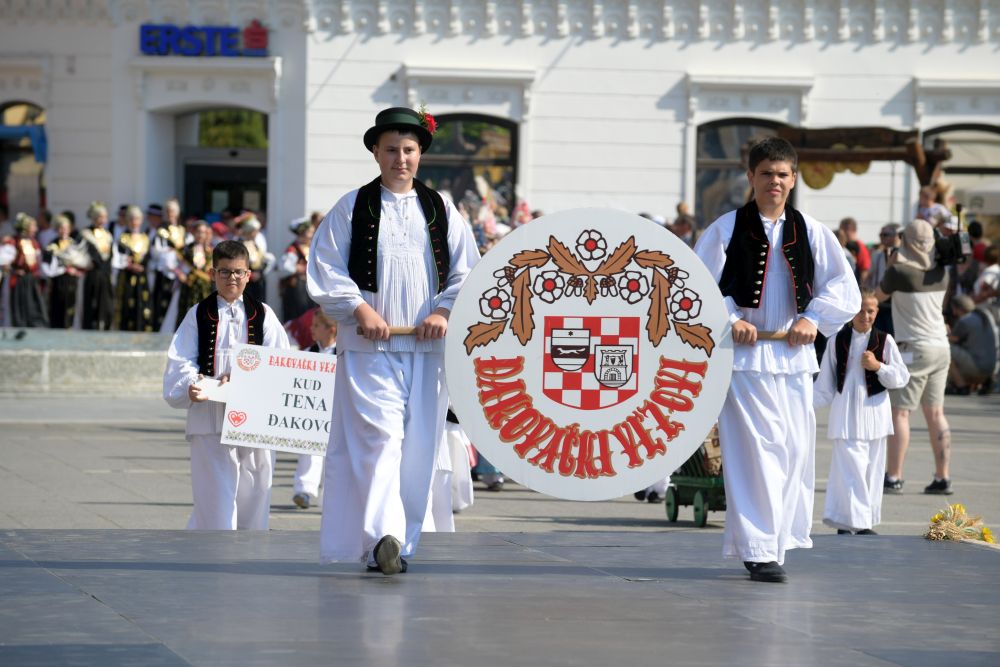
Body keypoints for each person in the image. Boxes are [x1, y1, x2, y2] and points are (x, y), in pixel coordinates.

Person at [307, 106, 479, 575]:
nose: (400, 159)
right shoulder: (352, 207)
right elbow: (326, 267)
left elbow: (467, 270)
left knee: (419, 447)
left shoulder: (441, 209)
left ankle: (399, 543)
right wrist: (359, 309)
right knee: (379, 439)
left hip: (426, 348)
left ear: (420, 153)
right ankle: (382, 535)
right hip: (370, 348)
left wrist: (444, 311)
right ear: (375, 153)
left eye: (408, 150)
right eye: (391, 150)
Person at [694, 136, 860, 583]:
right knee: (758, 451)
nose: (775, 181)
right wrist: (731, 319)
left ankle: (777, 540)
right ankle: (759, 549)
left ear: (794, 179)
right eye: (766, 173)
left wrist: (813, 319)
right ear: (750, 177)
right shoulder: (725, 229)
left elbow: (843, 288)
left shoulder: (812, 231)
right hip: (745, 360)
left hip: (793, 358)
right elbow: (695, 286)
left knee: (793, 451)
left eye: (782, 174)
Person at [163, 240, 290, 530]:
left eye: (238, 272)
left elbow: (280, 360)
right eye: (225, 272)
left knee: (256, 491)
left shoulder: (264, 314)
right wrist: (191, 384)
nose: (232, 278)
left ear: (248, 275)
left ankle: (250, 550)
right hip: (209, 416)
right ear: (212, 274)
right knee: (215, 497)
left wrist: (245, 379)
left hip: (255, 419)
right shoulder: (198, 314)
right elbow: (180, 359)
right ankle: (215, 549)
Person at [814, 290, 910, 536]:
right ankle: (856, 523)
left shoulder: (885, 341)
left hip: (875, 417)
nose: (865, 316)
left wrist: (878, 367)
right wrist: (802, 407)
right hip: (845, 417)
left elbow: (901, 378)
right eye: (860, 310)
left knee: (872, 473)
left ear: (876, 313)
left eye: (870, 311)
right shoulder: (837, 341)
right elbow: (824, 386)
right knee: (851, 470)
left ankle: (854, 522)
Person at [874, 218, 953, 495]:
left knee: (901, 412)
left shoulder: (899, 272)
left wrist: (892, 263)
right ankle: (943, 477)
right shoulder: (941, 272)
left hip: (914, 349)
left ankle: (894, 476)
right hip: (941, 347)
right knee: (936, 413)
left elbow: (877, 296)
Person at [292, 308, 336, 510]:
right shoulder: (309, 353)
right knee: (309, 449)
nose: (312, 329)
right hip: (312, 410)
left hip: (335, 410)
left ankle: (331, 498)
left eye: (317, 326)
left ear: (331, 329)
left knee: (334, 455)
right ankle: (304, 490)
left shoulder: (343, 352)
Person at [2, 213, 49, 327]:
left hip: (31, 280)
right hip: (19, 281)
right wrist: (13, 270)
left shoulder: (34, 243)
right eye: (33, 226)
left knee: (33, 306)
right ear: (25, 228)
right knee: (19, 307)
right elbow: (3, 260)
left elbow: (38, 262)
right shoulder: (14, 242)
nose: (35, 229)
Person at [41, 214, 88, 328]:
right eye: (61, 228)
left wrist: (76, 269)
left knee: (71, 306)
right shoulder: (52, 245)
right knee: (57, 306)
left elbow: (83, 261)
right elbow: (47, 266)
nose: (63, 231)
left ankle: (70, 327)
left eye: (66, 228)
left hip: (72, 281)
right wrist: (65, 268)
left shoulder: (74, 244)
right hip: (58, 281)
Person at [113, 205, 153, 331]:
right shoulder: (123, 238)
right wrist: (130, 265)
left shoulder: (145, 238)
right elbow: (119, 256)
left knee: (141, 303)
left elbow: (148, 257)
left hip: (141, 277)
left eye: (137, 219)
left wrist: (142, 266)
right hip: (127, 276)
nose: (134, 222)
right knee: (126, 302)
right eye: (131, 219)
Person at [947, 294, 997, 395]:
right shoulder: (986, 315)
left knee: (945, 348)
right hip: (993, 366)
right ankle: (986, 381)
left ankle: (961, 386)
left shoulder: (965, 320)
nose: (954, 313)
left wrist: (945, 331)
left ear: (957, 308)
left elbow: (952, 339)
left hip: (978, 366)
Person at [150, 199, 187, 332]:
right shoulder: (161, 230)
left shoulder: (182, 230)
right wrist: (170, 254)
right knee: (161, 302)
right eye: (167, 211)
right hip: (165, 272)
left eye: (172, 211)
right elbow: (156, 251)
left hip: (180, 272)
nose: (170, 214)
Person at [79, 202, 115, 330]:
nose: (104, 220)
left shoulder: (107, 235)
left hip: (105, 274)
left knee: (106, 304)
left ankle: (105, 326)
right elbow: (83, 253)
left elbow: (110, 255)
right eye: (101, 217)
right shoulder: (86, 234)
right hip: (93, 274)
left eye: (105, 217)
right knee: (92, 303)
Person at [863, 224, 901, 335]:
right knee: (878, 334)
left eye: (886, 235)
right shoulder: (877, 254)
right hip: (879, 300)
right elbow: (869, 276)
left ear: (897, 236)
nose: (882, 237)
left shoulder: (903, 254)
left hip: (896, 304)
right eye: (881, 235)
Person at [278, 216, 316, 323]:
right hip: (298, 288)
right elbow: (284, 267)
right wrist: (298, 268)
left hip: (309, 287)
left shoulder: (310, 247)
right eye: (310, 232)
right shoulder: (293, 249)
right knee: (298, 315)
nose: (312, 234)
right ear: (302, 233)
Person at [839, 217, 871, 284]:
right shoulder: (845, 245)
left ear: (850, 229)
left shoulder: (860, 247)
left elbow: (864, 270)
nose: (841, 233)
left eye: (842, 230)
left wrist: (861, 287)